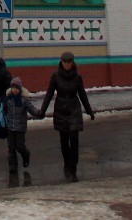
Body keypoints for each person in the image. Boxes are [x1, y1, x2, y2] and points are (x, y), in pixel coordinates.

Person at [38, 51, 95, 182]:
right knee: (64, 141)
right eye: (65, 62)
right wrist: (42, 110)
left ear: (72, 62)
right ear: (61, 62)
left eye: (69, 62)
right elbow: (49, 93)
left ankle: (73, 169)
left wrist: (89, 110)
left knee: (74, 140)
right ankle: (67, 163)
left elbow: (82, 94)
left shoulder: (77, 77)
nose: (67, 64)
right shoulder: (56, 76)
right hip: (61, 108)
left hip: (74, 107)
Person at [3, 76, 38, 174]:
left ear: (20, 89)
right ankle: (13, 166)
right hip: (10, 127)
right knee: (11, 148)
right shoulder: (8, 99)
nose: (15, 90)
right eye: (13, 88)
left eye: (17, 88)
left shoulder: (24, 100)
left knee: (20, 147)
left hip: (20, 128)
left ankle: (26, 154)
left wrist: (39, 113)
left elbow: (31, 109)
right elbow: (3, 110)